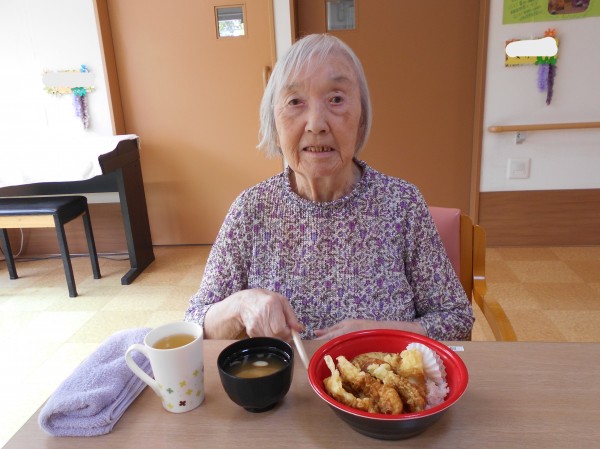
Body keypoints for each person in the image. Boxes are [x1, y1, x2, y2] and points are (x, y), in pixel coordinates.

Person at [184, 34, 474, 341]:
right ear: (274, 122)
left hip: (381, 373)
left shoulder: (402, 204)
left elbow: (457, 319)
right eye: (295, 102)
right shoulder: (251, 210)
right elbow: (195, 322)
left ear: (361, 118)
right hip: (283, 375)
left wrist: (380, 334)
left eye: (336, 99)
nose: (316, 124)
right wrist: (239, 306)